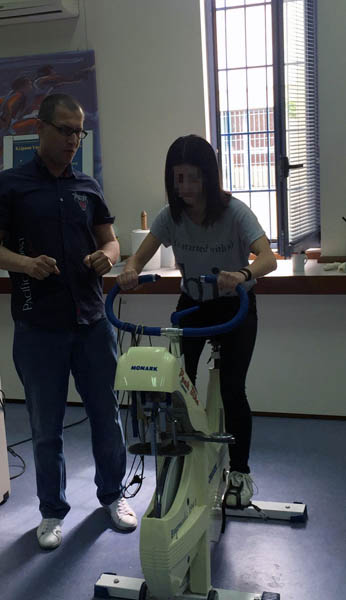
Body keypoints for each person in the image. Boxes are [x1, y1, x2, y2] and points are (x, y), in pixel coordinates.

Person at [0, 93, 137, 550]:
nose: (72, 140)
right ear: (40, 128)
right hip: (38, 326)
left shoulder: (87, 186)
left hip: (91, 323)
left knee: (106, 414)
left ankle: (113, 496)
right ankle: (51, 511)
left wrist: (107, 257)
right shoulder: (9, 185)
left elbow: (111, 242)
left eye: (78, 133)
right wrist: (26, 265)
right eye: (65, 130)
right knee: (45, 425)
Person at [116, 134, 277, 508]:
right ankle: (184, 452)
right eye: (178, 178)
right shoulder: (170, 216)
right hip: (192, 306)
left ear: (208, 176)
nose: (185, 187)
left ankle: (240, 473)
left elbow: (268, 258)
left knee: (233, 390)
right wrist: (130, 270)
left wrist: (242, 274)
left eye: (193, 177)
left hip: (235, 307)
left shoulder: (235, 212)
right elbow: (138, 257)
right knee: (176, 383)